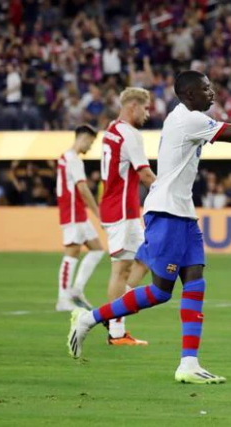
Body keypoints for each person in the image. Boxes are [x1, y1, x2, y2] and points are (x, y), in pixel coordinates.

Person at [68, 70, 231, 385]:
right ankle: (89, 318)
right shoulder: (186, 120)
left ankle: (189, 363)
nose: (212, 91)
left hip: (183, 213)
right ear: (189, 94)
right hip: (166, 213)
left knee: (195, 284)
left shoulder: (190, 118)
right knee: (161, 291)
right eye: (205, 88)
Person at [99, 87, 157, 346]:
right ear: (133, 106)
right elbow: (144, 174)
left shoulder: (113, 128)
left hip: (124, 208)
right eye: (145, 108)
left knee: (147, 259)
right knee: (121, 269)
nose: (148, 114)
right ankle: (115, 330)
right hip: (120, 210)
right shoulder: (130, 134)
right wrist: (169, 193)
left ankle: (113, 314)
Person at [55, 125, 105, 311]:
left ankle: (76, 290)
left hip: (78, 213)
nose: (90, 147)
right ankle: (63, 298)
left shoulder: (65, 157)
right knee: (72, 252)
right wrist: (98, 214)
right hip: (73, 213)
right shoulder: (73, 160)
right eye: (90, 143)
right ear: (83, 138)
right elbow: (83, 189)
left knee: (97, 249)